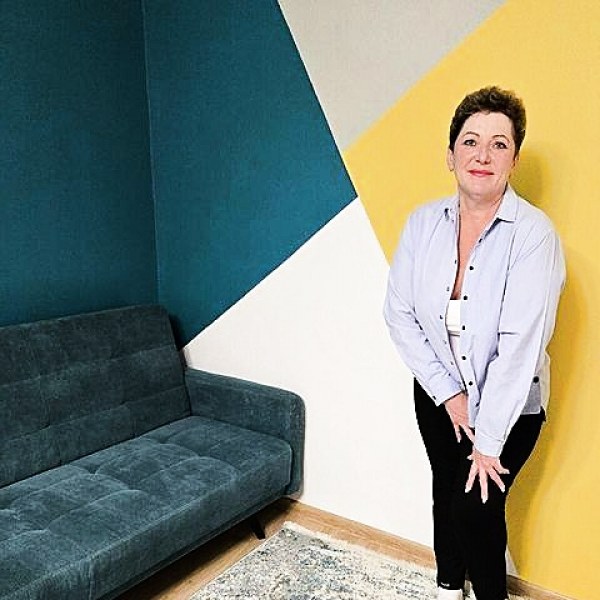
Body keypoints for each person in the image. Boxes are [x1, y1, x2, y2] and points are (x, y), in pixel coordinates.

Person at [383, 86, 565, 600]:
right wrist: (448, 393)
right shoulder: (422, 224)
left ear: (514, 160)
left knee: (476, 507)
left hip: (510, 403)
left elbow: (520, 346)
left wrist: (486, 441)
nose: (482, 154)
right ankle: (447, 587)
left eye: (499, 144)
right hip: (437, 393)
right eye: (470, 141)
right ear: (451, 155)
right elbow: (399, 314)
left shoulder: (534, 235)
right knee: (446, 490)